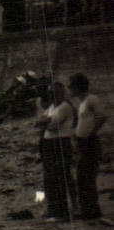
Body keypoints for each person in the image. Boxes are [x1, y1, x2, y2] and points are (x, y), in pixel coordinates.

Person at [68, 74, 108, 222]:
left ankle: (92, 211)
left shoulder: (91, 99)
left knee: (87, 175)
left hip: (89, 142)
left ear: (78, 86)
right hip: (83, 142)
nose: (69, 89)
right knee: (82, 176)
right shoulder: (82, 102)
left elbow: (103, 116)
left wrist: (91, 132)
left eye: (71, 86)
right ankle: (87, 209)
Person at [36, 81, 76, 222]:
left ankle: (61, 211)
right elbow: (40, 120)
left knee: (59, 177)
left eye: (54, 92)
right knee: (50, 178)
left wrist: (45, 122)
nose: (51, 96)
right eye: (50, 93)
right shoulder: (53, 106)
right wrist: (45, 121)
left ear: (61, 92)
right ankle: (54, 209)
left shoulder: (64, 106)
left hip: (60, 142)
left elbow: (52, 126)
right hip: (50, 142)